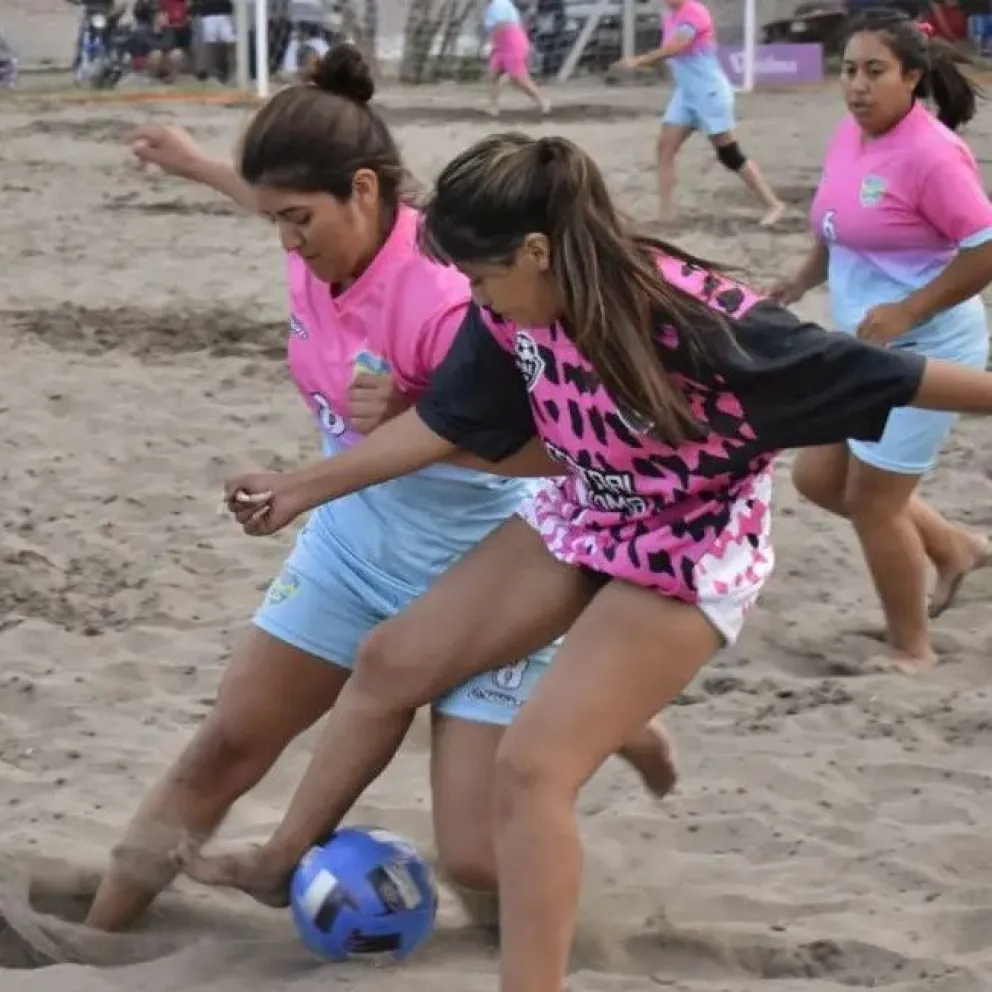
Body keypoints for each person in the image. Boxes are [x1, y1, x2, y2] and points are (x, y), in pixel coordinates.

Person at [168, 130, 992, 992]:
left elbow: (892, 375)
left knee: (533, 770)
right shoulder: (507, 306)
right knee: (388, 662)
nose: (473, 298)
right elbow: (443, 425)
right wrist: (301, 488)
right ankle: (283, 860)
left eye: (481, 279)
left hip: (689, 551)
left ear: (536, 251)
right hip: (584, 511)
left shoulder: (704, 327)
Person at [85, 46, 675, 934]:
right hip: (354, 548)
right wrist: (196, 163)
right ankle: (97, 937)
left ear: (363, 190)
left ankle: (604, 720)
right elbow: (270, 198)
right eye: (275, 219)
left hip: (484, 578)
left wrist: (427, 419)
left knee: (475, 857)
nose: (286, 241)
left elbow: (569, 453)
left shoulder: (450, 299)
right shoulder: (318, 234)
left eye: (297, 220)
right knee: (227, 743)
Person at [770, 9, 992, 673]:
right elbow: (836, 222)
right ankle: (953, 547)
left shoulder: (932, 154)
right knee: (817, 478)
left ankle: (911, 645)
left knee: (874, 502)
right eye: (848, 70)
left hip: (931, 349)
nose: (858, 86)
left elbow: (985, 248)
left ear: (912, 77)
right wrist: (801, 278)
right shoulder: (849, 134)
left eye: (874, 71)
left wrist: (908, 309)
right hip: (863, 348)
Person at [614, 0, 784, 227]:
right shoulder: (671, 16)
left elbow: (676, 47)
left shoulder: (694, 12)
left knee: (729, 154)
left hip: (709, 93)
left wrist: (638, 61)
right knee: (665, 149)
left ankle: (773, 204)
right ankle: (665, 214)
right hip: (686, 94)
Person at [483, 0, 550, 117]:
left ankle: (542, 100)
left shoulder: (500, 3)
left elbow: (502, 24)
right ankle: (493, 106)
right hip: (501, 44)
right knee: (492, 75)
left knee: (518, 78)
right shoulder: (491, 7)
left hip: (512, 42)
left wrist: (490, 42)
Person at [147, 0, 193, 82]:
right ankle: (162, 75)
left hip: (182, 34)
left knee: (179, 55)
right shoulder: (164, 3)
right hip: (168, 33)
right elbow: (162, 21)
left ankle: (174, 76)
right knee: (160, 54)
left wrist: (183, 24)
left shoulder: (184, 3)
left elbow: (189, 18)